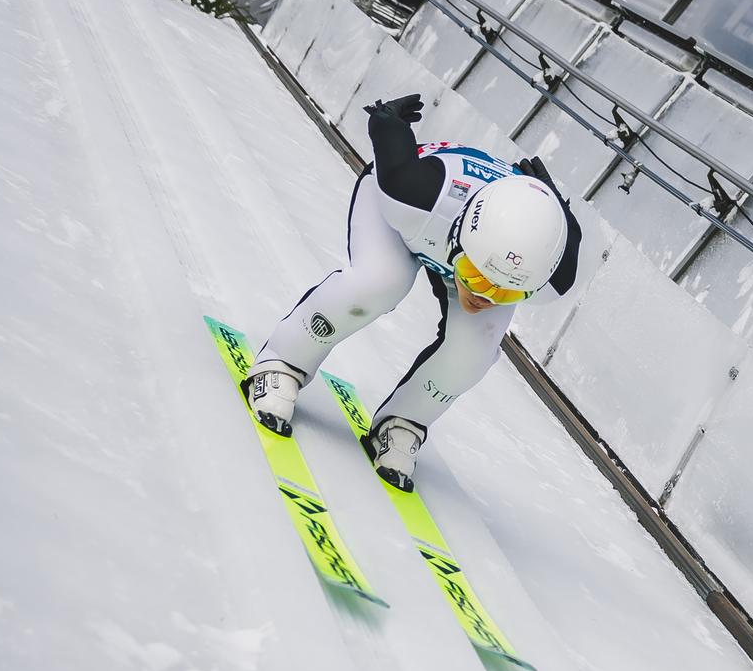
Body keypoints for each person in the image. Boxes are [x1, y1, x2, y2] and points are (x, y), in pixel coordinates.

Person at [242, 94, 583, 490]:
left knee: (476, 348)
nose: (484, 298)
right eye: (476, 277)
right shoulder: (410, 192)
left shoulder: (552, 275)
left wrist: (553, 204)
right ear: (460, 240)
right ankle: (282, 361)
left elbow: (569, 233)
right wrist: (389, 120)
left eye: (506, 294)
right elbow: (387, 134)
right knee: (378, 282)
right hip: (415, 215)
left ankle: (404, 421)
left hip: (451, 233)